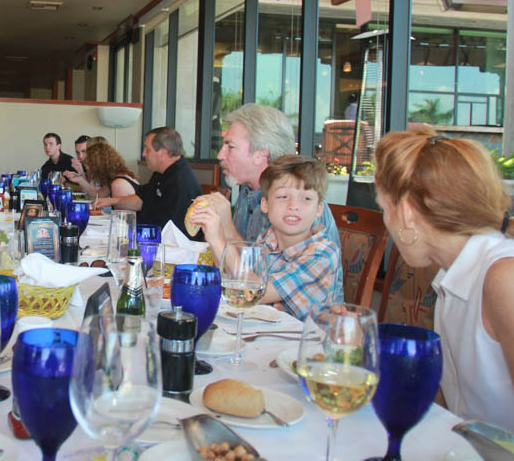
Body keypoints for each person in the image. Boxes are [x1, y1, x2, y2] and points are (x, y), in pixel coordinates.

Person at [374, 127, 514, 430]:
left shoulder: (504, 278)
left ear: (407, 213)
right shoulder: (454, 276)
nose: (387, 223)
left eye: (384, 209)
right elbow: (457, 400)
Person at [193, 155, 342, 319]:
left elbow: (253, 292)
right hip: (268, 335)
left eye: (306, 198)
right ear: (265, 204)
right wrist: (217, 235)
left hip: (305, 342)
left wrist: (217, 240)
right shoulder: (269, 238)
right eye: (283, 197)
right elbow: (230, 275)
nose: (293, 206)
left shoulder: (323, 254)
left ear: (319, 209)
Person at [210, 103, 340, 248]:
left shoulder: (300, 208)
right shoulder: (248, 193)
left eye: (230, 146)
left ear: (260, 155)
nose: (221, 155)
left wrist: (227, 229)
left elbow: (263, 268)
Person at [95, 127, 202, 238]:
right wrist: (110, 201)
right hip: (149, 236)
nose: (144, 154)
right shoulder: (161, 172)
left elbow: (171, 231)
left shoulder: (180, 182)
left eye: (147, 149)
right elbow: (141, 199)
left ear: (163, 152)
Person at [68, 142, 140, 202]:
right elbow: (98, 194)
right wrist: (79, 180)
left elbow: (121, 216)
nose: (86, 167)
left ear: (98, 164)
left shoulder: (118, 183)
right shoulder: (114, 176)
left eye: (88, 163)